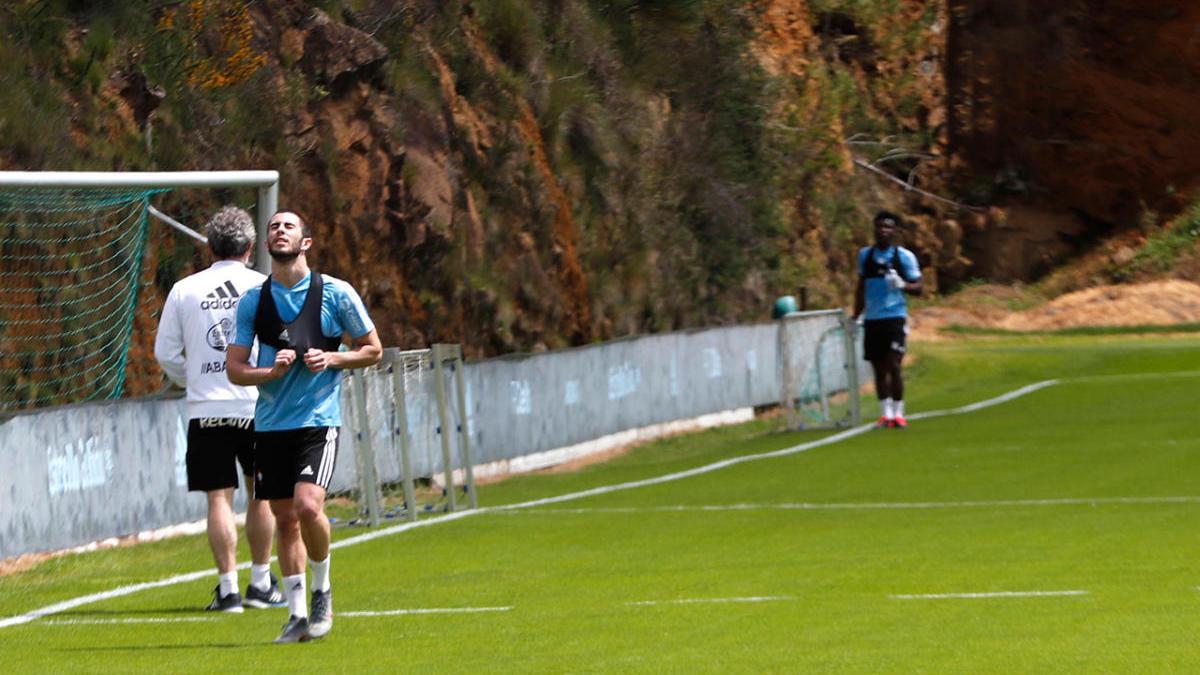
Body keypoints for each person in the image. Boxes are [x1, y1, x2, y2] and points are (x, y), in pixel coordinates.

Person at [226, 209, 382, 643]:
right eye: (273, 227)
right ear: (265, 244)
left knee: (308, 507)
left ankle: (321, 590)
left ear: (306, 242)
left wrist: (332, 359)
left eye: (288, 226)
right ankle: (295, 615)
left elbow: (372, 350)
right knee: (284, 518)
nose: (279, 231)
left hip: (318, 421)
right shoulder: (254, 301)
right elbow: (235, 369)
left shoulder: (336, 293)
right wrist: (268, 374)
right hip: (271, 424)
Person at [153, 205, 286, 612]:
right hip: (256, 404)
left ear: (209, 246)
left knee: (218, 498)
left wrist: (193, 376)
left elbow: (165, 353)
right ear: (250, 247)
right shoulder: (266, 286)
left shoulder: (185, 289)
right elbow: (282, 347)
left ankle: (228, 589)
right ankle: (261, 583)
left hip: (205, 407)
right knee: (261, 495)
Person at [853, 210, 923, 429]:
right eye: (879, 226)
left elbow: (919, 287)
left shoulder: (903, 257)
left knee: (893, 364)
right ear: (874, 229)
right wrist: (855, 316)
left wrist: (902, 285)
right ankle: (886, 414)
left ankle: (899, 412)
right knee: (878, 368)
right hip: (873, 319)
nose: (883, 230)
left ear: (895, 231)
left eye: (888, 227)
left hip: (894, 317)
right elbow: (860, 287)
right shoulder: (865, 256)